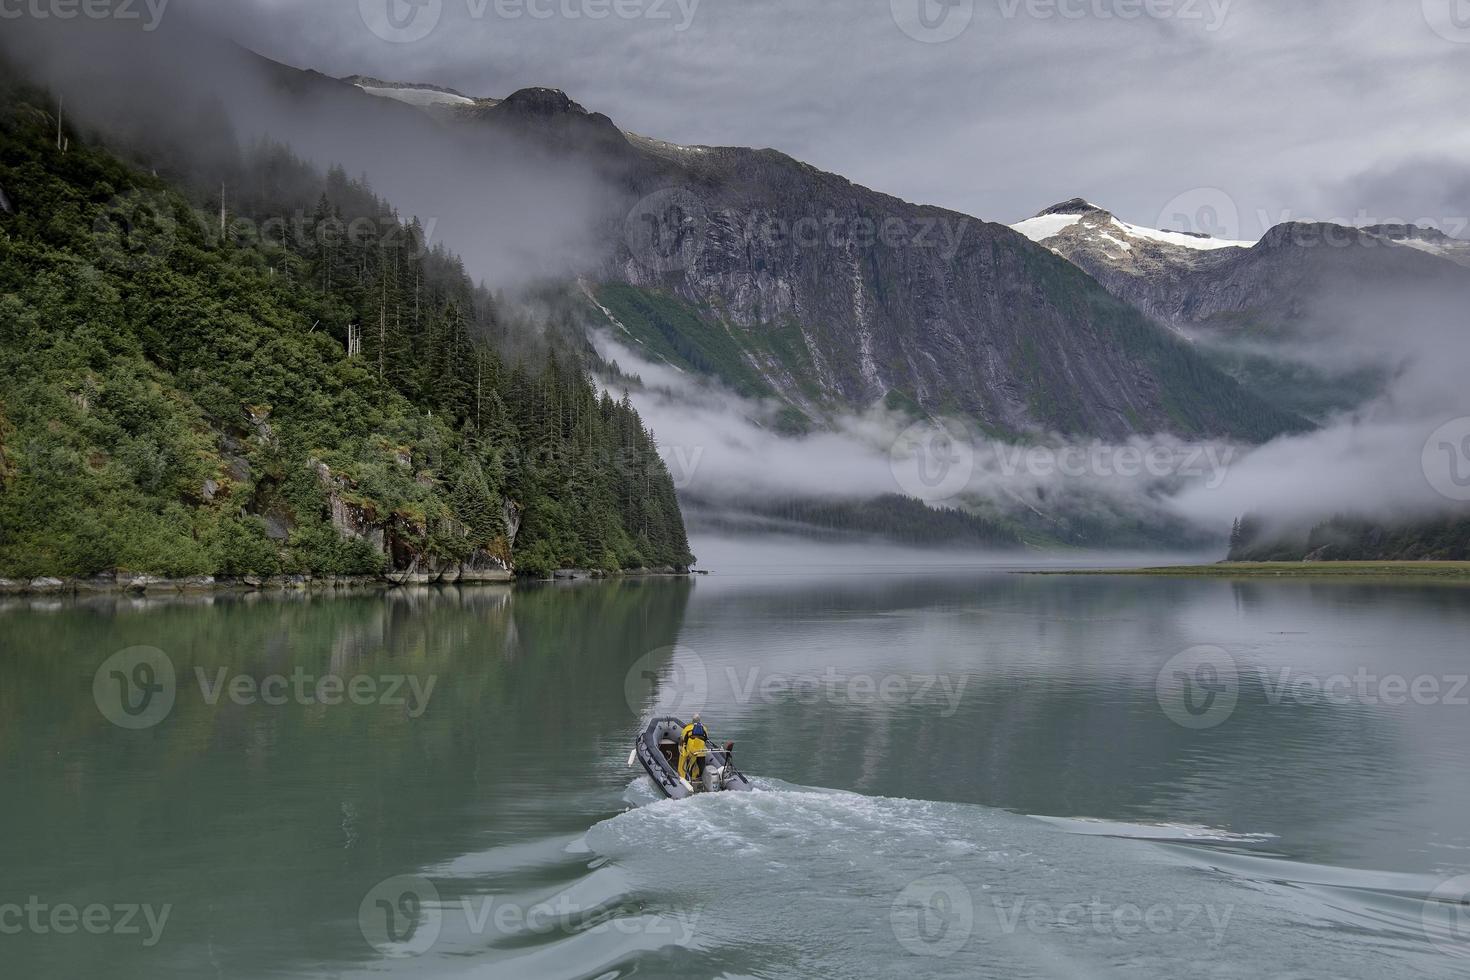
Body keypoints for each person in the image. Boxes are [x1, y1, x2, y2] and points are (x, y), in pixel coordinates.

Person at [678, 714, 709, 783]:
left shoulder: (687, 728)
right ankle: (703, 779)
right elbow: (706, 739)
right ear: (699, 720)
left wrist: (681, 748)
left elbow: (682, 739)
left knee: (690, 766)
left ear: (692, 720)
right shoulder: (704, 728)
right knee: (702, 766)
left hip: (692, 751)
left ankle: (689, 780)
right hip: (701, 751)